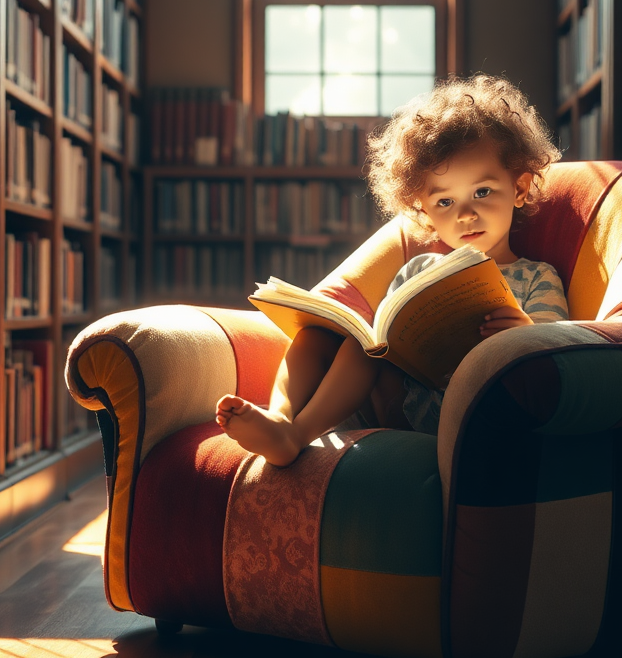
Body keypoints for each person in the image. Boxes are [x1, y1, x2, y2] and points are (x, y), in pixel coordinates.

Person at [215, 74, 570, 464]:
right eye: (445, 202)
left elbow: (561, 359)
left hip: (475, 411)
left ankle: (296, 433)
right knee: (342, 340)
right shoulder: (419, 267)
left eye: (482, 192)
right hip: (398, 403)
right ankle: (283, 423)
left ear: (518, 189)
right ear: (424, 210)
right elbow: (390, 336)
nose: (467, 214)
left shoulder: (538, 275)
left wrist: (525, 335)